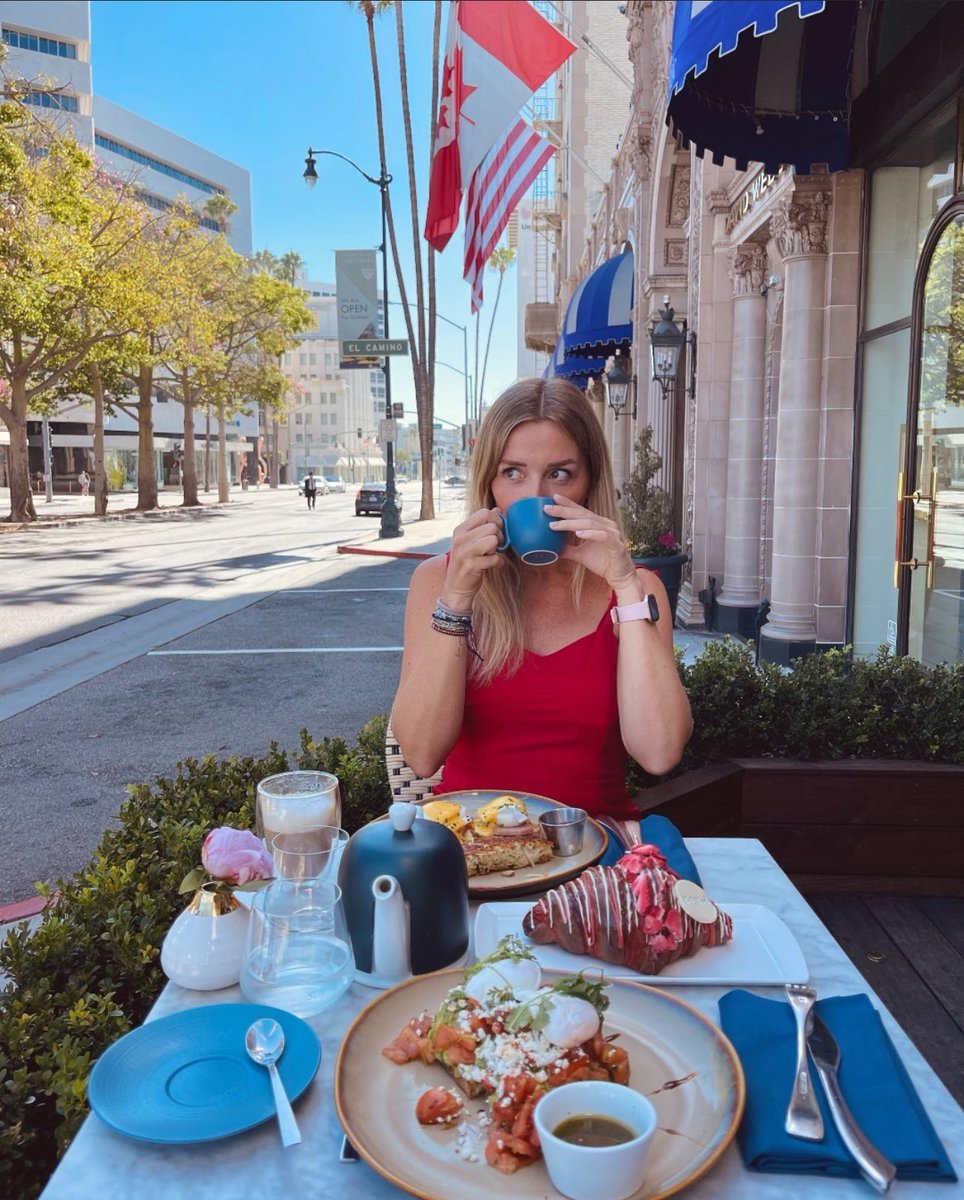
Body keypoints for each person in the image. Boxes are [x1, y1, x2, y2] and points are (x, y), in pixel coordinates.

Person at [390, 377, 693, 823]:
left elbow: (660, 753)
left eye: (559, 474)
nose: (534, 497)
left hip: (592, 848)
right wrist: (456, 599)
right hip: (473, 851)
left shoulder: (636, 589)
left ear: (589, 482)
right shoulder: (439, 580)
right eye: (512, 472)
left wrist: (626, 586)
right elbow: (419, 754)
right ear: (489, 483)